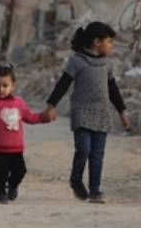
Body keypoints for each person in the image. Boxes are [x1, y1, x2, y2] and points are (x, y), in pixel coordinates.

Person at [45, 22, 130, 204]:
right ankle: (76, 178)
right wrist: (51, 105)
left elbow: (113, 89)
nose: (112, 46)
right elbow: (63, 84)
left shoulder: (107, 64)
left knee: (97, 155)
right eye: (109, 42)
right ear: (97, 42)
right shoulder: (77, 61)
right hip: (81, 112)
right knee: (84, 149)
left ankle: (95, 190)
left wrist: (122, 111)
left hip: (102, 114)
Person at [0, 64, 50, 204]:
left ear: (13, 86)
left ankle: (12, 186)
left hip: (16, 148)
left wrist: (43, 117)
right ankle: (0, 194)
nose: (1, 89)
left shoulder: (19, 102)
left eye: (5, 85)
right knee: (1, 172)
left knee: (20, 171)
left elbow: (29, 117)